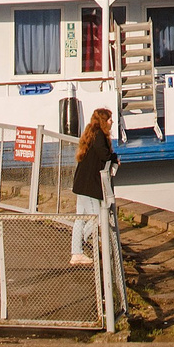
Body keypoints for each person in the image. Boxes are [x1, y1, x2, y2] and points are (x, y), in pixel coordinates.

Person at [71, 107, 116, 267]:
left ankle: (76, 253)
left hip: (81, 183)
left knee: (80, 219)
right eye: (110, 119)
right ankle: (81, 242)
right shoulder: (99, 136)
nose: (112, 122)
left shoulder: (91, 132)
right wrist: (115, 158)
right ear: (104, 121)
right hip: (88, 186)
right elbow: (104, 154)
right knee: (97, 219)